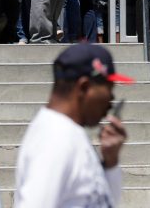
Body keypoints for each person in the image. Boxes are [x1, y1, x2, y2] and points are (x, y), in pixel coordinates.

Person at [14, 43, 132, 207]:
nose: (111, 99)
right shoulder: (55, 138)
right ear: (84, 87)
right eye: (109, 89)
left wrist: (110, 161)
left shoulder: (66, 131)